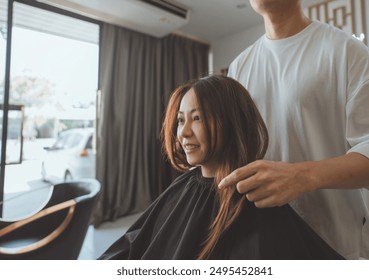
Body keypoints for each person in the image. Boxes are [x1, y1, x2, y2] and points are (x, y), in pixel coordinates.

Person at [99, 75, 343, 260]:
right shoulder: (184, 185)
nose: (183, 132)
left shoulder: (254, 200)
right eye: (181, 120)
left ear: (231, 123)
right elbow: (135, 242)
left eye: (197, 118)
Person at [219, 0, 369, 259]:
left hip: (334, 241)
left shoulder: (347, 52)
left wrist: (302, 176)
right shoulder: (239, 68)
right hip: (264, 239)